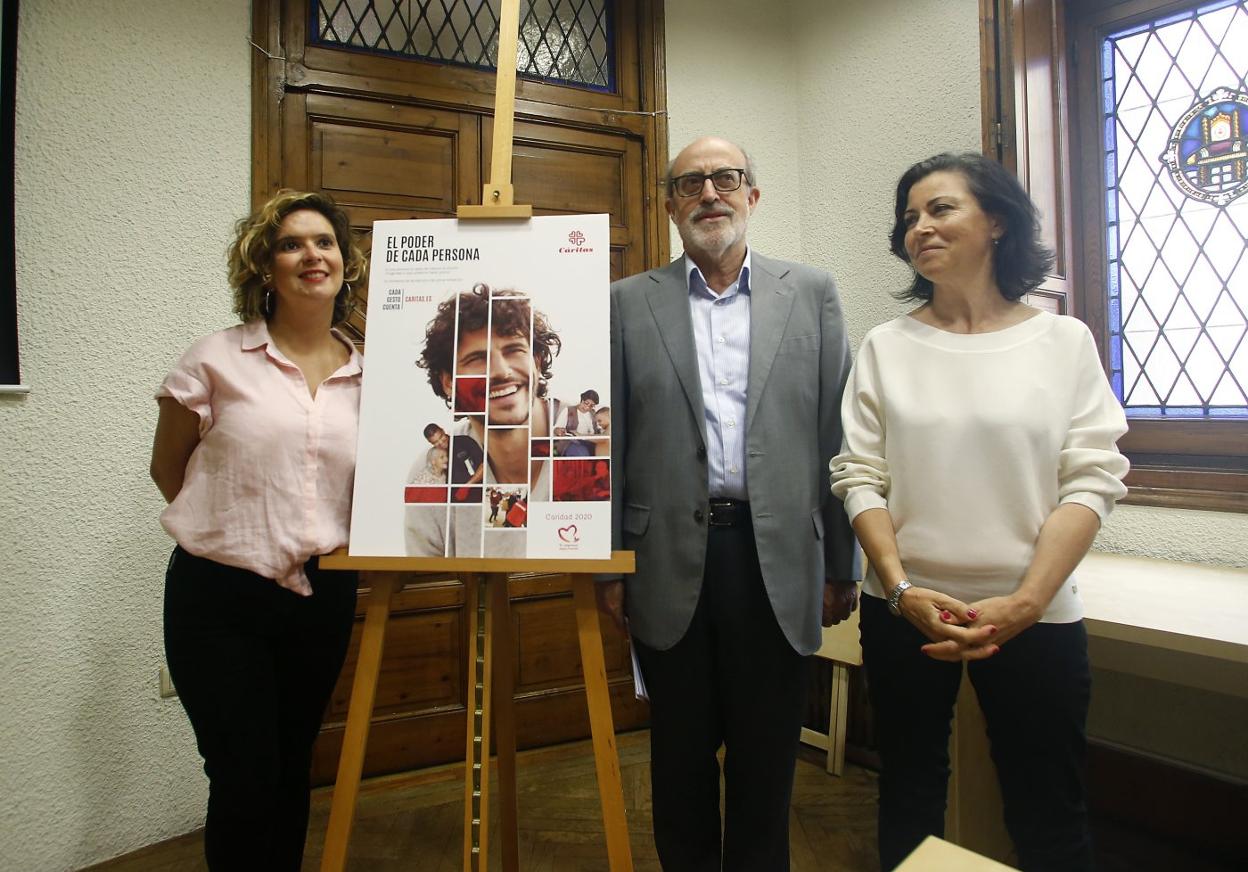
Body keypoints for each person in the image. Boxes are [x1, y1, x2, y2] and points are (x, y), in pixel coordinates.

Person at [830, 152, 1130, 872]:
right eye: (909, 218)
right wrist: (901, 589)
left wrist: (1027, 602)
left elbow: (1090, 480)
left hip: (1034, 613)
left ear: (997, 221)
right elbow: (859, 477)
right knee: (909, 797)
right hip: (907, 612)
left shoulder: (1063, 341)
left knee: (1048, 812)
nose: (920, 228)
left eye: (940, 209)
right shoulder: (886, 346)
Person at [599, 136, 858, 871]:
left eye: (725, 178)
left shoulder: (811, 293)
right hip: (663, 560)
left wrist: (843, 564)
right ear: (670, 205)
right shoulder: (626, 303)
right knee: (679, 758)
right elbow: (610, 440)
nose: (709, 193)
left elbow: (836, 435)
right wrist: (610, 566)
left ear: (752, 194)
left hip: (778, 558)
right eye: (690, 183)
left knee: (766, 759)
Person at [149, 190, 367, 871]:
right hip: (219, 600)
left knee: (292, 766)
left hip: (323, 596)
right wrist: (237, 526)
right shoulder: (214, 359)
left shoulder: (373, 373)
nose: (312, 255)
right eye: (290, 244)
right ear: (264, 266)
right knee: (243, 776)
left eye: (325, 242)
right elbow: (168, 468)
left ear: (345, 262)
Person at [404, 284, 562, 555]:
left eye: (513, 350)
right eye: (477, 358)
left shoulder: (589, 438)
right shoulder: (435, 471)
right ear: (449, 382)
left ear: (537, 362)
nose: (501, 371)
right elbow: (425, 573)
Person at [554, 388, 601, 456]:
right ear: (581, 400)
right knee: (581, 452)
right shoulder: (568, 410)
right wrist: (559, 431)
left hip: (591, 442)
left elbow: (599, 429)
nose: (587, 407)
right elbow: (556, 429)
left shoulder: (594, 413)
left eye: (591, 406)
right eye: (586, 403)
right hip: (573, 443)